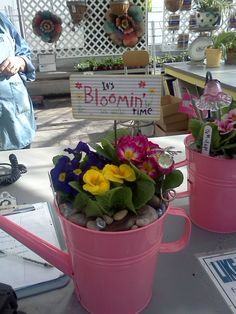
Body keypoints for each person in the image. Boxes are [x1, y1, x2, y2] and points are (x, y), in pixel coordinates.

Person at [0, 12, 36, 150]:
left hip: (15, 116)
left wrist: (19, 61)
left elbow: (24, 53)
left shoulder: (2, 21)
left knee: (20, 164)